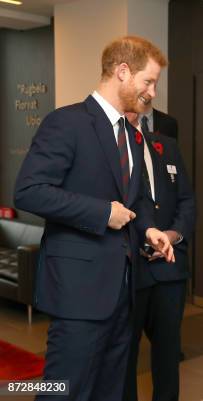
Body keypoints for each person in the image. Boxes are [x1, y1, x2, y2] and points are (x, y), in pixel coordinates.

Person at [13, 36, 174, 401]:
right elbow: (29, 190)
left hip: (124, 291)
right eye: (148, 81)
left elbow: (134, 200)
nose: (153, 91)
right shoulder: (65, 122)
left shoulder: (133, 136)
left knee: (111, 391)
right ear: (122, 72)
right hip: (79, 293)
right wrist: (102, 213)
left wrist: (148, 227)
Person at [123, 108, 196, 401]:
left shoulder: (166, 146)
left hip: (169, 269)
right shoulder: (110, 151)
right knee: (124, 355)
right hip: (130, 270)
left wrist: (171, 236)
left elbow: (187, 201)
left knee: (168, 354)